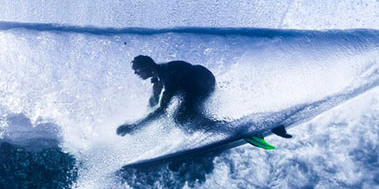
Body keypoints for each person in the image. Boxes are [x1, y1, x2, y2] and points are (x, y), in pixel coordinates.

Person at [116, 55, 292, 139]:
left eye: (137, 70)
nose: (136, 74)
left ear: (147, 66)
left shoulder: (167, 74)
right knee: (183, 117)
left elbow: (162, 110)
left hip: (200, 81)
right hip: (199, 82)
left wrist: (135, 126)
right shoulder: (158, 80)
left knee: (181, 116)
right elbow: (154, 106)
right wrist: (137, 123)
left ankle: (236, 131)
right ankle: (225, 130)